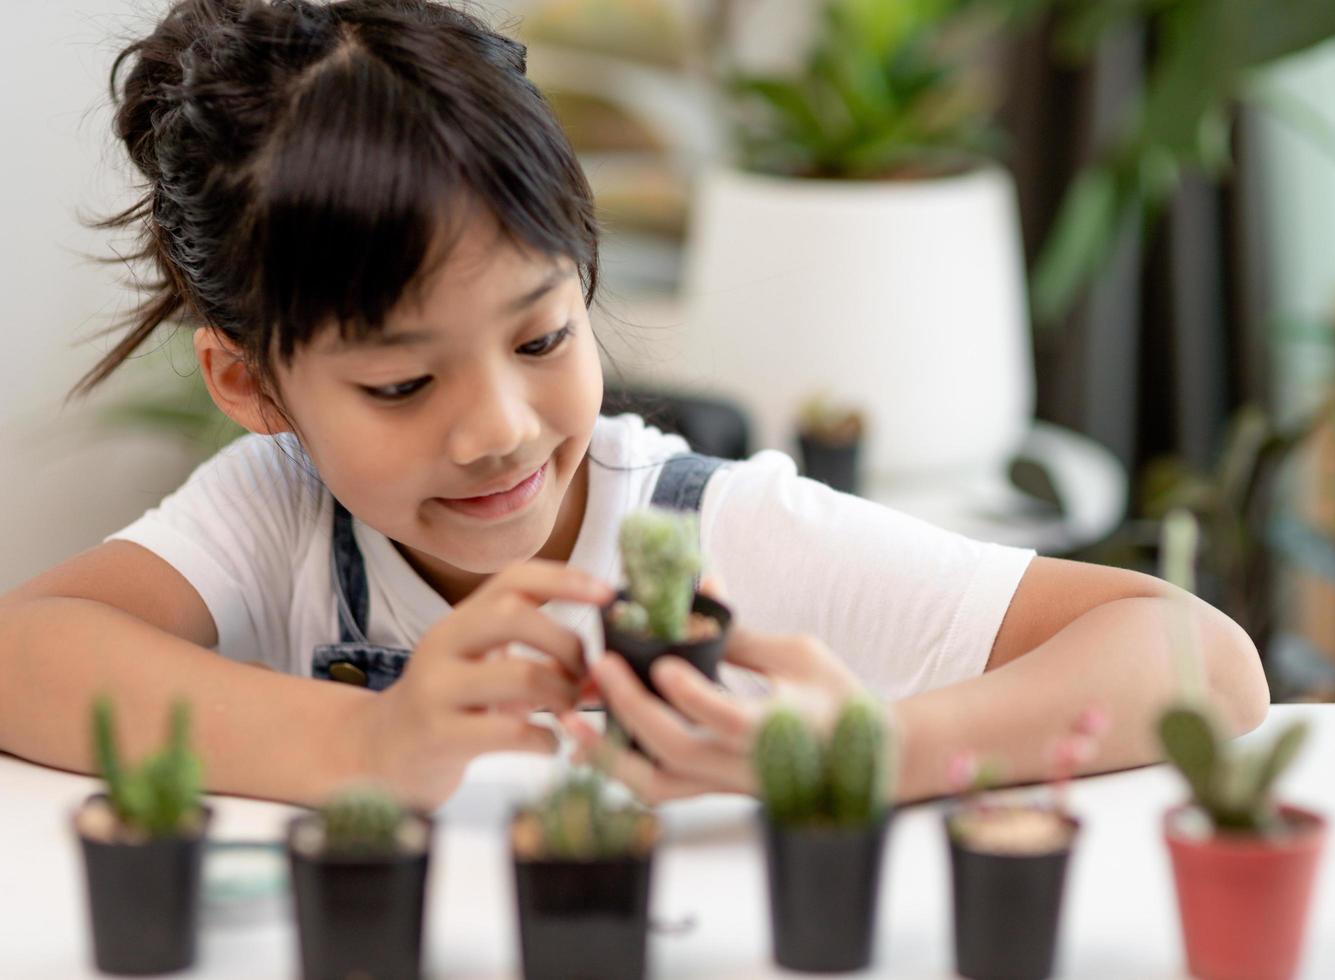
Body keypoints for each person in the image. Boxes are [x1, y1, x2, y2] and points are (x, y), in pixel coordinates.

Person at [0, 0, 1267, 811]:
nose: (497, 424)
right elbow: (23, 653)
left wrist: (872, 748)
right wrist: (370, 746)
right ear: (250, 382)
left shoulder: (715, 526)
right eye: (401, 380)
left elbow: (1200, 657)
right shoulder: (274, 517)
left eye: (543, 333)